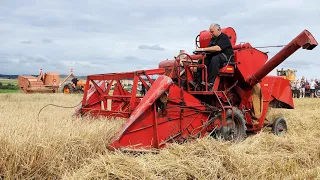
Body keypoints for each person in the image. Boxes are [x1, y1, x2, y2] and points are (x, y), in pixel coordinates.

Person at [192, 23, 234, 90]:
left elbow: (218, 48)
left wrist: (203, 49)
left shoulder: (224, 37)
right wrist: (201, 52)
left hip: (226, 57)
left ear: (218, 30)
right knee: (202, 60)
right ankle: (198, 82)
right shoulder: (213, 39)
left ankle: (211, 83)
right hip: (218, 56)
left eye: (212, 32)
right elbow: (209, 48)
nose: (211, 34)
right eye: (210, 32)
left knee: (215, 59)